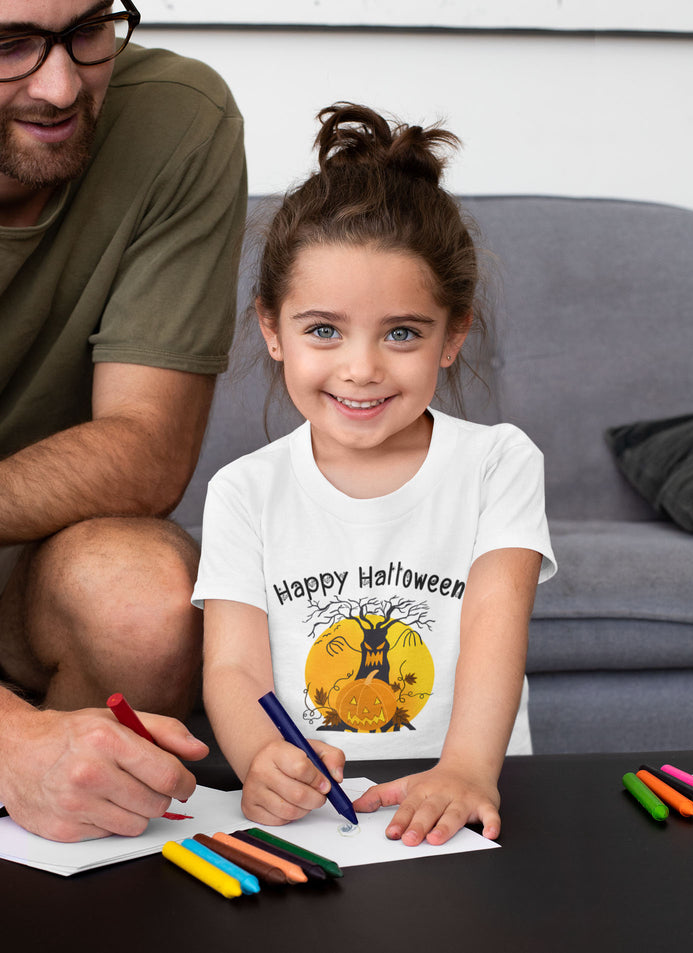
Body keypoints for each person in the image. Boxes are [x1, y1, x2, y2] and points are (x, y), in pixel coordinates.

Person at [192, 103, 556, 847]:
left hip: (461, 801)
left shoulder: (498, 463)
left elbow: (494, 630)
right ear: (271, 329)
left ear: (452, 334)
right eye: (323, 329)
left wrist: (464, 769)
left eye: (401, 333)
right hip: (319, 816)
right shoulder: (243, 490)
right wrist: (263, 757)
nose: (361, 368)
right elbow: (232, 666)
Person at [0, 0, 247, 841]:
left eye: (90, 31)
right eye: (10, 45)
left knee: (142, 604)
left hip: (31, 565)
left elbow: (147, 452)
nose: (62, 86)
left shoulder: (179, 121)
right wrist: (9, 739)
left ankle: (57, 854)